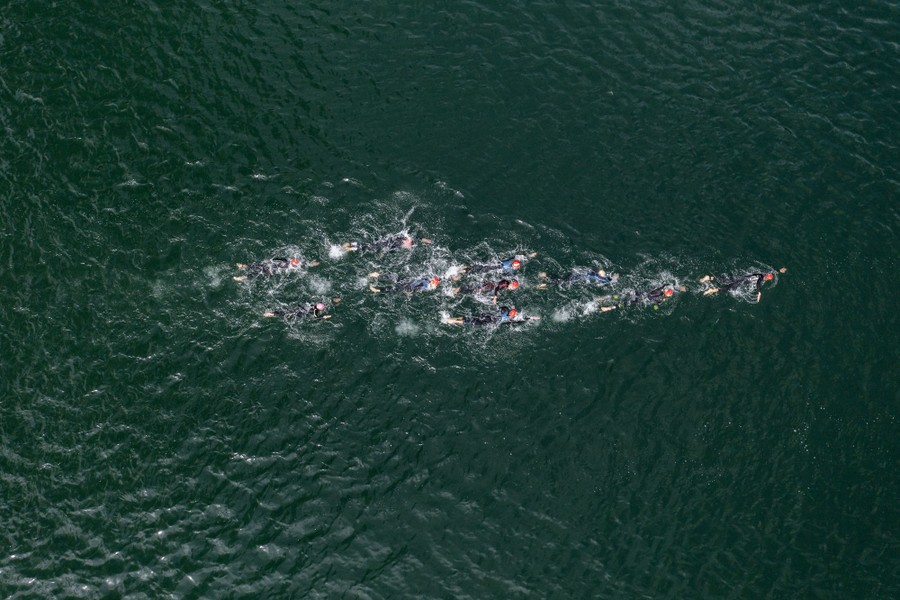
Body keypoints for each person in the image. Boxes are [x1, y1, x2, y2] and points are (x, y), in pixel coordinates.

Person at [699, 267, 787, 302]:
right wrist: (759, 292)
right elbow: (758, 283)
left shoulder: (761, 274)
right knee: (729, 288)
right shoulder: (761, 278)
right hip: (741, 282)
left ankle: (709, 278)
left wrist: (779, 271)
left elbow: (770, 273)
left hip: (741, 277)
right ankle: (713, 290)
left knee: (726, 279)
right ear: (767, 279)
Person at [599, 283, 686, 311]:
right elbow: (656, 304)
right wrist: (656, 306)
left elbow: (665, 285)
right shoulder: (662, 298)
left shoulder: (661, 290)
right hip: (642, 300)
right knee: (625, 303)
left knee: (624, 294)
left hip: (641, 294)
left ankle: (607, 298)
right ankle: (610, 307)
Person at [233, 257, 319, 281]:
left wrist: (267, 261)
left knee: (256, 267)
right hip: (270, 270)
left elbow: (276, 259)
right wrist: (311, 263)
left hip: (270, 266)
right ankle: (242, 276)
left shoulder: (286, 261)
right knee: (256, 272)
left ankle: (243, 267)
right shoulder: (290, 268)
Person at [341, 233, 432, 254]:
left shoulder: (406, 238)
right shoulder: (404, 243)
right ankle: (350, 247)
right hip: (386, 243)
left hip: (386, 241)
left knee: (370, 244)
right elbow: (390, 248)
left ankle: (350, 244)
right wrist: (383, 253)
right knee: (369, 246)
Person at [444, 306, 540, 326]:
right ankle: (451, 321)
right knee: (469, 321)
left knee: (469, 318)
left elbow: (500, 308)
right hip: (489, 321)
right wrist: (532, 318)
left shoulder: (506, 310)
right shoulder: (512, 319)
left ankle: (451, 319)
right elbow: (523, 318)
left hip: (487, 316)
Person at [459, 252, 536, 275]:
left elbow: (521, 257)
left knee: (479, 266)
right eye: (517, 267)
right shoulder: (507, 266)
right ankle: (463, 270)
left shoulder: (515, 260)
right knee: (479, 269)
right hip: (494, 266)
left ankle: (465, 268)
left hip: (495, 264)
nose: (518, 267)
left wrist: (530, 255)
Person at [537, 268, 619, 289]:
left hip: (573, 274)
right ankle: (543, 284)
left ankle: (544, 275)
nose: (604, 272)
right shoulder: (596, 276)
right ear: (599, 273)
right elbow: (606, 281)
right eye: (603, 272)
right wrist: (614, 279)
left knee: (560, 277)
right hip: (573, 278)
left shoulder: (593, 272)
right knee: (560, 281)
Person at [452, 279, 519, 304]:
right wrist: (495, 297)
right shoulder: (505, 283)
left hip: (488, 286)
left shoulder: (506, 284)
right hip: (487, 286)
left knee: (472, 289)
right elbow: (497, 288)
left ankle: (456, 289)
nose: (512, 289)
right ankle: (457, 289)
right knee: (472, 288)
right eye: (512, 287)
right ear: (511, 284)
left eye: (513, 288)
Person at [368, 273, 441, 294]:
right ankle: (377, 290)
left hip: (409, 280)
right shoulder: (427, 286)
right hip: (408, 285)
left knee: (394, 277)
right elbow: (417, 288)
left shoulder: (427, 280)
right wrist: (409, 293)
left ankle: (377, 275)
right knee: (394, 290)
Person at [263, 301, 331, 320]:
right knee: (285, 314)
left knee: (286, 311)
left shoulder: (312, 304)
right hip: (298, 313)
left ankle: (272, 313)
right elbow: (315, 318)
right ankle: (270, 314)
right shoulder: (315, 311)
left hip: (297, 308)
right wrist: (324, 317)